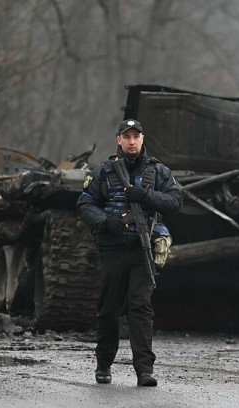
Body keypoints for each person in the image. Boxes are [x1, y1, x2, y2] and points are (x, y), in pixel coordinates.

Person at [76, 118, 183, 387]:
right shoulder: (103, 171)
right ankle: (103, 365)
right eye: (127, 136)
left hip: (141, 250)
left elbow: (175, 200)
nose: (132, 141)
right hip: (113, 248)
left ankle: (144, 370)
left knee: (140, 307)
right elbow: (85, 204)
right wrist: (105, 222)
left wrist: (146, 196)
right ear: (119, 140)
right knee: (109, 308)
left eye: (136, 136)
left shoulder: (158, 171)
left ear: (143, 139)